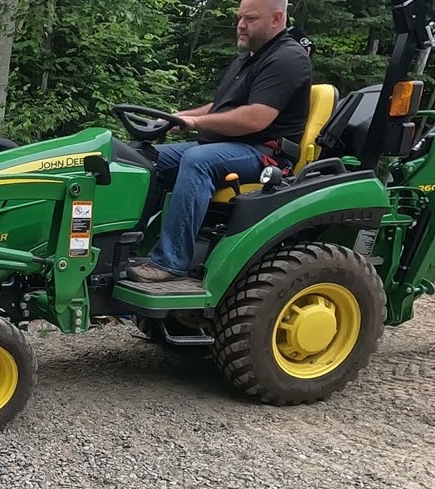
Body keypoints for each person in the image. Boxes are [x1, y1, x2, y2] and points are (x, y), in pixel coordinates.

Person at [127, 0, 313, 282]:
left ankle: (170, 262)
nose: (240, 24)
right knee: (143, 158)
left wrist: (196, 123)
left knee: (198, 161)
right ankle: (125, 247)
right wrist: (177, 117)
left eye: (250, 18)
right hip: (227, 147)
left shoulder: (288, 58)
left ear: (276, 19)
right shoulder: (249, 59)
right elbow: (221, 107)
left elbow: (255, 118)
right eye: (240, 17)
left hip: (264, 153)